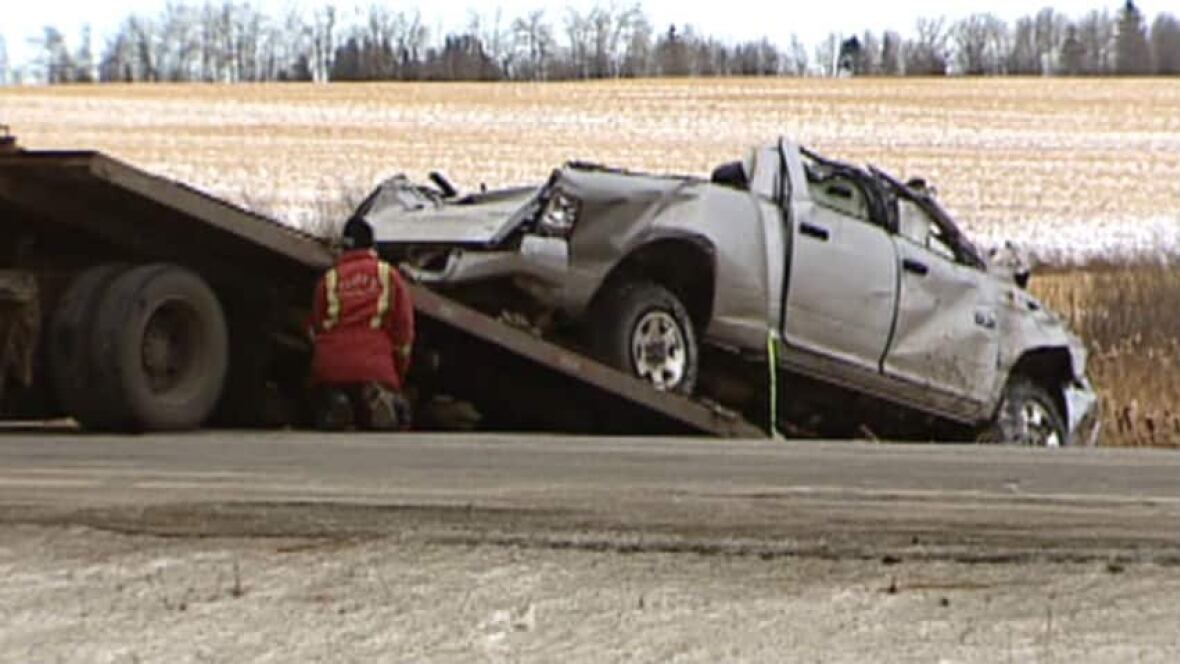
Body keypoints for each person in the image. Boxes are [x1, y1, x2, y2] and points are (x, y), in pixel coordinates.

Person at [307, 216, 414, 430]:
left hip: (331, 367)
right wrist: (396, 376)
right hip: (375, 367)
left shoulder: (330, 279)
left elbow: (315, 326)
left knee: (327, 389)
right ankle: (378, 401)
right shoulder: (388, 275)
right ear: (372, 245)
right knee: (396, 410)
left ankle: (337, 402)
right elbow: (404, 331)